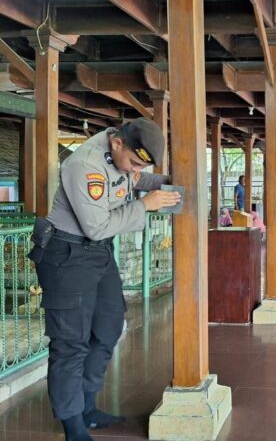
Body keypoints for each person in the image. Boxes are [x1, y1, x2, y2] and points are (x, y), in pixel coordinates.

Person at [28, 118, 180, 441]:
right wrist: (145, 206)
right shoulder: (84, 166)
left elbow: (135, 178)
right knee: (70, 343)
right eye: (134, 162)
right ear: (117, 144)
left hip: (97, 254)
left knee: (109, 326)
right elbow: (96, 226)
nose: (134, 169)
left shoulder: (122, 157)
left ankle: (86, 406)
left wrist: (164, 182)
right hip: (66, 255)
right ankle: (72, 426)